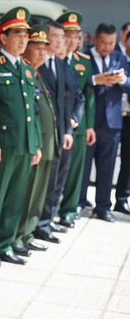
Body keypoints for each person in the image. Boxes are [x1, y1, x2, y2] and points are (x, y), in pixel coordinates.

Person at [0, 7, 42, 268]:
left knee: (15, 197)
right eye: (17, 34)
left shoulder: (26, 69)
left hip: (24, 143)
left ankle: (6, 242)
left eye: (26, 34)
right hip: (2, 145)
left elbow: (32, 111)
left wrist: (35, 142)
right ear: (2, 37)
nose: (24, 39)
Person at [81, 23, 130, 222]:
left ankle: (103, 206)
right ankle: (79, 202)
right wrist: (95, 80)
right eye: (103, 43)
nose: (107, 47)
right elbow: (80, 84)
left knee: (107, 167)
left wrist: (122, 80)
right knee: (84, 166)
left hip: (112, 122)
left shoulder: (119, 58)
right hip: (90, 122)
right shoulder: (84, 56)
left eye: (111, 43)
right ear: (95, 40)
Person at [14, 26, 55, 254]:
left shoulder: (36, 73)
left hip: (40, 143)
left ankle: (27, 232)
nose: (42, 53)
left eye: (44, 49)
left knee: (37, 192)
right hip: (29, 143)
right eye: (37, 48)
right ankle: (20, 233)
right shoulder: (26, 71)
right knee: (26, 192)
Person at [34, 21, 75, 240]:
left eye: (62, 37)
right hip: (42, 135)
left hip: (60, 132)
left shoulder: (60, 65)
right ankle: (36, 224)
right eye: (57, 36)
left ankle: (46, 221)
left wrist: (68, 129)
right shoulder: (36, 65)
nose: (62, 41)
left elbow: (66, 102)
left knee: (56, 180)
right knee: (41, 183)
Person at [57, 11, 95, 222]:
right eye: (68, 35)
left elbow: (88, 95)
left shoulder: (84, 62)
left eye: (76, 35)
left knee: (75, 171)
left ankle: (69, 210)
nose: (73, 40)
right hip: (60, 124)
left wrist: (88, 125)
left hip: (78, 126)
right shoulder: (54, 59)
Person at [115, 22, 130, 215]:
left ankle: (122, 199)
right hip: (111, 115)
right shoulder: (116, 59)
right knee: (105, 159)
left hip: (129, 118)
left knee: (128, 161)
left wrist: (124, 81)